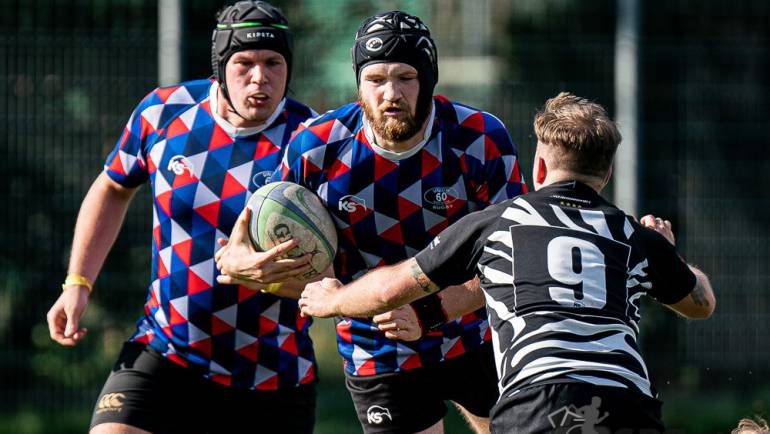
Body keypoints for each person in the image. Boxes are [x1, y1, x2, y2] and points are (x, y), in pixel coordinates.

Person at [299, 92, 716, 433]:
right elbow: (701, 304)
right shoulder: (633, 237)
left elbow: (392, 288)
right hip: (628, 408)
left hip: (536, 407)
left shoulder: (499, 223)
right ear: (606, 175)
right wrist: (670, 254)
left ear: (538, 167)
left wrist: (333, 299)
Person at [221, 10, 527, 434]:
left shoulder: (479, 138)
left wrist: (431, 310)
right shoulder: (317, 146)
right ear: (359, 85)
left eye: (405, 77)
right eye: (376, 79)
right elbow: (251, 232)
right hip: (376, 348)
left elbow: (515, 259)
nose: (391, 93)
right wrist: (238, 262)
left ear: (428, 80)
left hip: (477, 332)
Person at [45, 2, 320, 433]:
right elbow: (113, 187)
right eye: (244, 64)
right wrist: (77, 283)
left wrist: (266, 276)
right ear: (219, 67)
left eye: (273, 63)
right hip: (165, 353)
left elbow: (343, 269)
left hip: (271, 375)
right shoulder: (164, 114)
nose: (259, 78)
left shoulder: (315, 142)